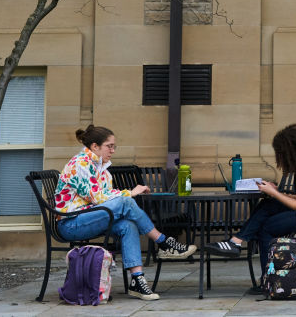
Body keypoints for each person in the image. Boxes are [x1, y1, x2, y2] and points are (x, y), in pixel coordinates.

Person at [55, 125, 197, 300]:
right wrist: (129, 192)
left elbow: (106, 198)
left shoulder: (102, 169)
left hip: (90, 217)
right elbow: (98, 197)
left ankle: (137, 280)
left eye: (114, 146)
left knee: (128, 225)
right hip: (70, 223)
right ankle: (163, 242)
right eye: (109, 146)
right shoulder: (80, 164)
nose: (113, 150)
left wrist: (127, 194)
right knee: (126, 201)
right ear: (94, 146)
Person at [204, 123, 296, 272]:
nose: (278, 157)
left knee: (267, 227)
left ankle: (267, 279)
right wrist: (276, 192)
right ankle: (236, 242)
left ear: (290, 152)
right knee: (269, 204)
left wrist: (275, 192)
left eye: (280, 153)